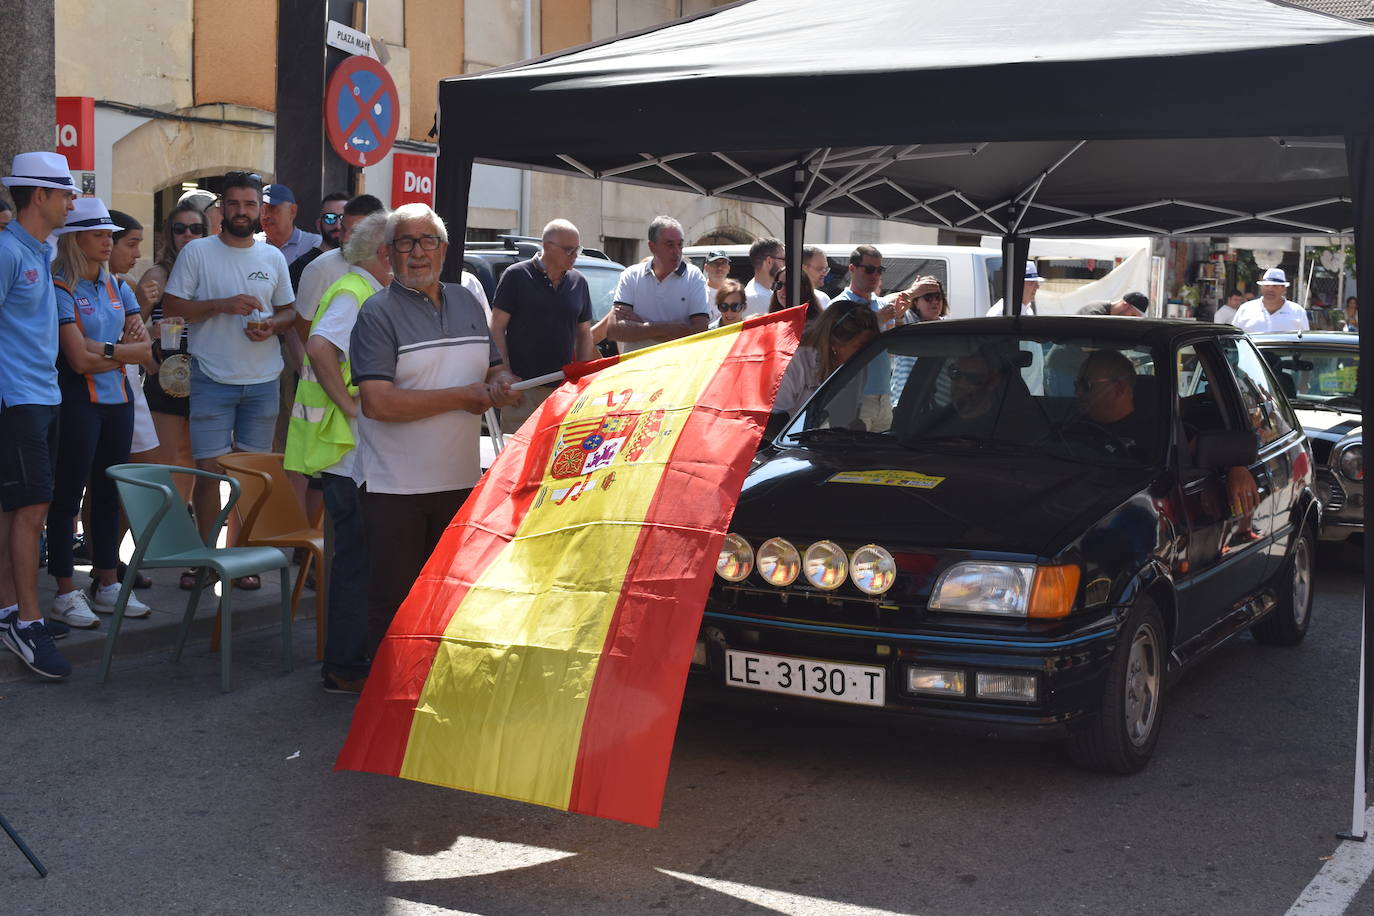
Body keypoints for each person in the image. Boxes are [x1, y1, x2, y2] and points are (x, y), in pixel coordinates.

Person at [349, 203, 520, 656]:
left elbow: (495, 368)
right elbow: (377, 403)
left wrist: (503, 386)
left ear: (444, 250)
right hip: (394, 489)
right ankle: (388, 709)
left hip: (460, 482)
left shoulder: (466, 300)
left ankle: (432, 701)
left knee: (451, 599)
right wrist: (464, 397)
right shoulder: (376, 313)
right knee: (396, 606)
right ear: (388, 254)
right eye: (405, 242)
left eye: (427, 241)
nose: (417, 252)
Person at [162, 170, 297, 590]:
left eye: (250, 204)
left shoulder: (272, 256)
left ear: (261, 210)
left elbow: (290, 313)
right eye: (235, 204)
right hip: (210, 377)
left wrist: (271, 326)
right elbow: (172, 307)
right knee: (207, 473)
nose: (242, 211)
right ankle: (205, 559)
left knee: (254, 475)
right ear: (222, 208)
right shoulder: (198, 252)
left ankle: (242, 560)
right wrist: (221, 305)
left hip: (263, 381)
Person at [282, 210, 391, 694]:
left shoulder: (361, 289)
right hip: (345, 450)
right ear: (385, 253)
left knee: (356, 558)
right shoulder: (355, 293)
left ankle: (348, 661)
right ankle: (345, 665)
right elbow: (321, 348)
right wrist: (349, 403)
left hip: (344, 448)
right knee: (354, 560)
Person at [46, 199, 157, 627]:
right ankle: (63, 590)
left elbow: (145, 352)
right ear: (75, 238)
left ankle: (107, 583)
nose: (107, 242)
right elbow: (76, 360)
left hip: (118, 402)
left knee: (110, 494)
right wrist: (117, 352)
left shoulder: (119, 287)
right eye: (97, 234)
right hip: (76, 402)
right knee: (67, 496)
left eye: (109, 234)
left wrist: (104, 349)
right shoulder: (60, 287)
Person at [0, 151, 78, 679]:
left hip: (41, 398)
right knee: (31, 512)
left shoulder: (38, 248)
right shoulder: (8, 251)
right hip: (18, 401)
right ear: (39, 196)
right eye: (65, 192)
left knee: (17, 513)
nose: (72, 200)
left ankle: (9, 612)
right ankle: (27, 621)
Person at [135, 201, 205, 563]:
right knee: (165, 457)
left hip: (205, 371)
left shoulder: (210, 270)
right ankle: (160, 534)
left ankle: (182, 525)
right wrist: (154, 325)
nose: (188, 236)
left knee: (191, 457)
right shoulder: (157, 275)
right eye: (180, 229)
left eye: (196, 229)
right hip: (166, 372)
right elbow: (132, 329)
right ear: (169, 234)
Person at [490, 218, 596, 434]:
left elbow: (584, 333)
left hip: (563, 390)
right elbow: (497, 327)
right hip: (522, 390)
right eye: (568, 250)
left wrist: (583, 377)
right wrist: (504, 373)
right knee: (518, 457)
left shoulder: (579, 282)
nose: (574, 255)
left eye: (578, 249)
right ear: (547, 246)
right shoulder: (517, 276)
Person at [292, 194, 387, 343]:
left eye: (356, 232)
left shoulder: (395, 265)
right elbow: (303, 325)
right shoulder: (320, 268)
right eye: (343, 229)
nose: (344, 238)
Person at [607, 215, 710, 353]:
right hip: (637, 369)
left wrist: (641, 325)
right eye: (670, 245)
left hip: (677, 369)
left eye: (680, 244)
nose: (677, 251)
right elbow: (614, 330)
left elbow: (699, 333)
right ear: (652, 246)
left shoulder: (694, 276)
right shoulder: (631, 275)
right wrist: (666, 329)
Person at [772, 298, 882, 420]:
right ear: (835, 343)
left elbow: (847, 419)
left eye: (871, 346)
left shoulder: (857, 366)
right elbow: (773, 421)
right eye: (861, 346)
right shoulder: (795, 362)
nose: (869, 353)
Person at [108, 211, 160, 465]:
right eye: (131, 244)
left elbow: (138, 342)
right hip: (104, 388)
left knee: (144, 469)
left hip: (129, 384)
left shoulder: (125, 284)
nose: (137, 254)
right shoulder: (79, 286)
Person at [834, 246, 902, 429]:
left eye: (879, 270)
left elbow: (891, 351)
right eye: (870, 269)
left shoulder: (882, 304)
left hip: (884, 394)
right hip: (855, 396)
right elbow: (842, 346)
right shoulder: (840, 305)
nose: (875, 275)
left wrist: (900, 322)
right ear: (852, 269)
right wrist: (877, 320)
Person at [289, 192, 349, 290]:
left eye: (343, 218)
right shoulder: (301, 267)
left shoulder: (359, 264)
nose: (338, 225)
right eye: (330, 218)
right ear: (318, 224)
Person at [1231, 268, 1309, 334]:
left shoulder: (1297, 312)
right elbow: (1234, 336)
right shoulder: (1246, 309)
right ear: (1261, 288)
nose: (1270, 289)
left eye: (1275, 286)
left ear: (1284, 289)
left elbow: (1305, 340)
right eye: (1267, 285)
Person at [258, 183, 321, 264]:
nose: (266, 216)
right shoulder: (252, 243)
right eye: (262, 210)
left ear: (292, 211)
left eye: (272, 208)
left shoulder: (314, 245)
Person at [743, 236, 785, 317]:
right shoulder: (757, 298)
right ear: (769, 261)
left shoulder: (760, 293)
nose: (785, 265)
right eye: (783, 259)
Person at [801, 246, 833, 310]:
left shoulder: (823, 299)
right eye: (820, 269)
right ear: (803, 268)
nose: (824, 273)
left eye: (826, 269)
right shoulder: (781, 296)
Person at [702, 249, 731, 318]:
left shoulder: (735, 293)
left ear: (728, 268)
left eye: (723, 264)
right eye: (715, 264)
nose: (720, 268)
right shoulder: (700, 293)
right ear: (706, 267)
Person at [1077, 292, 1148, 317]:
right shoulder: (1095, 312)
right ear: (1124, 305)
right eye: (1133, 315)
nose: (1133, 319)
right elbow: (1087, 347)